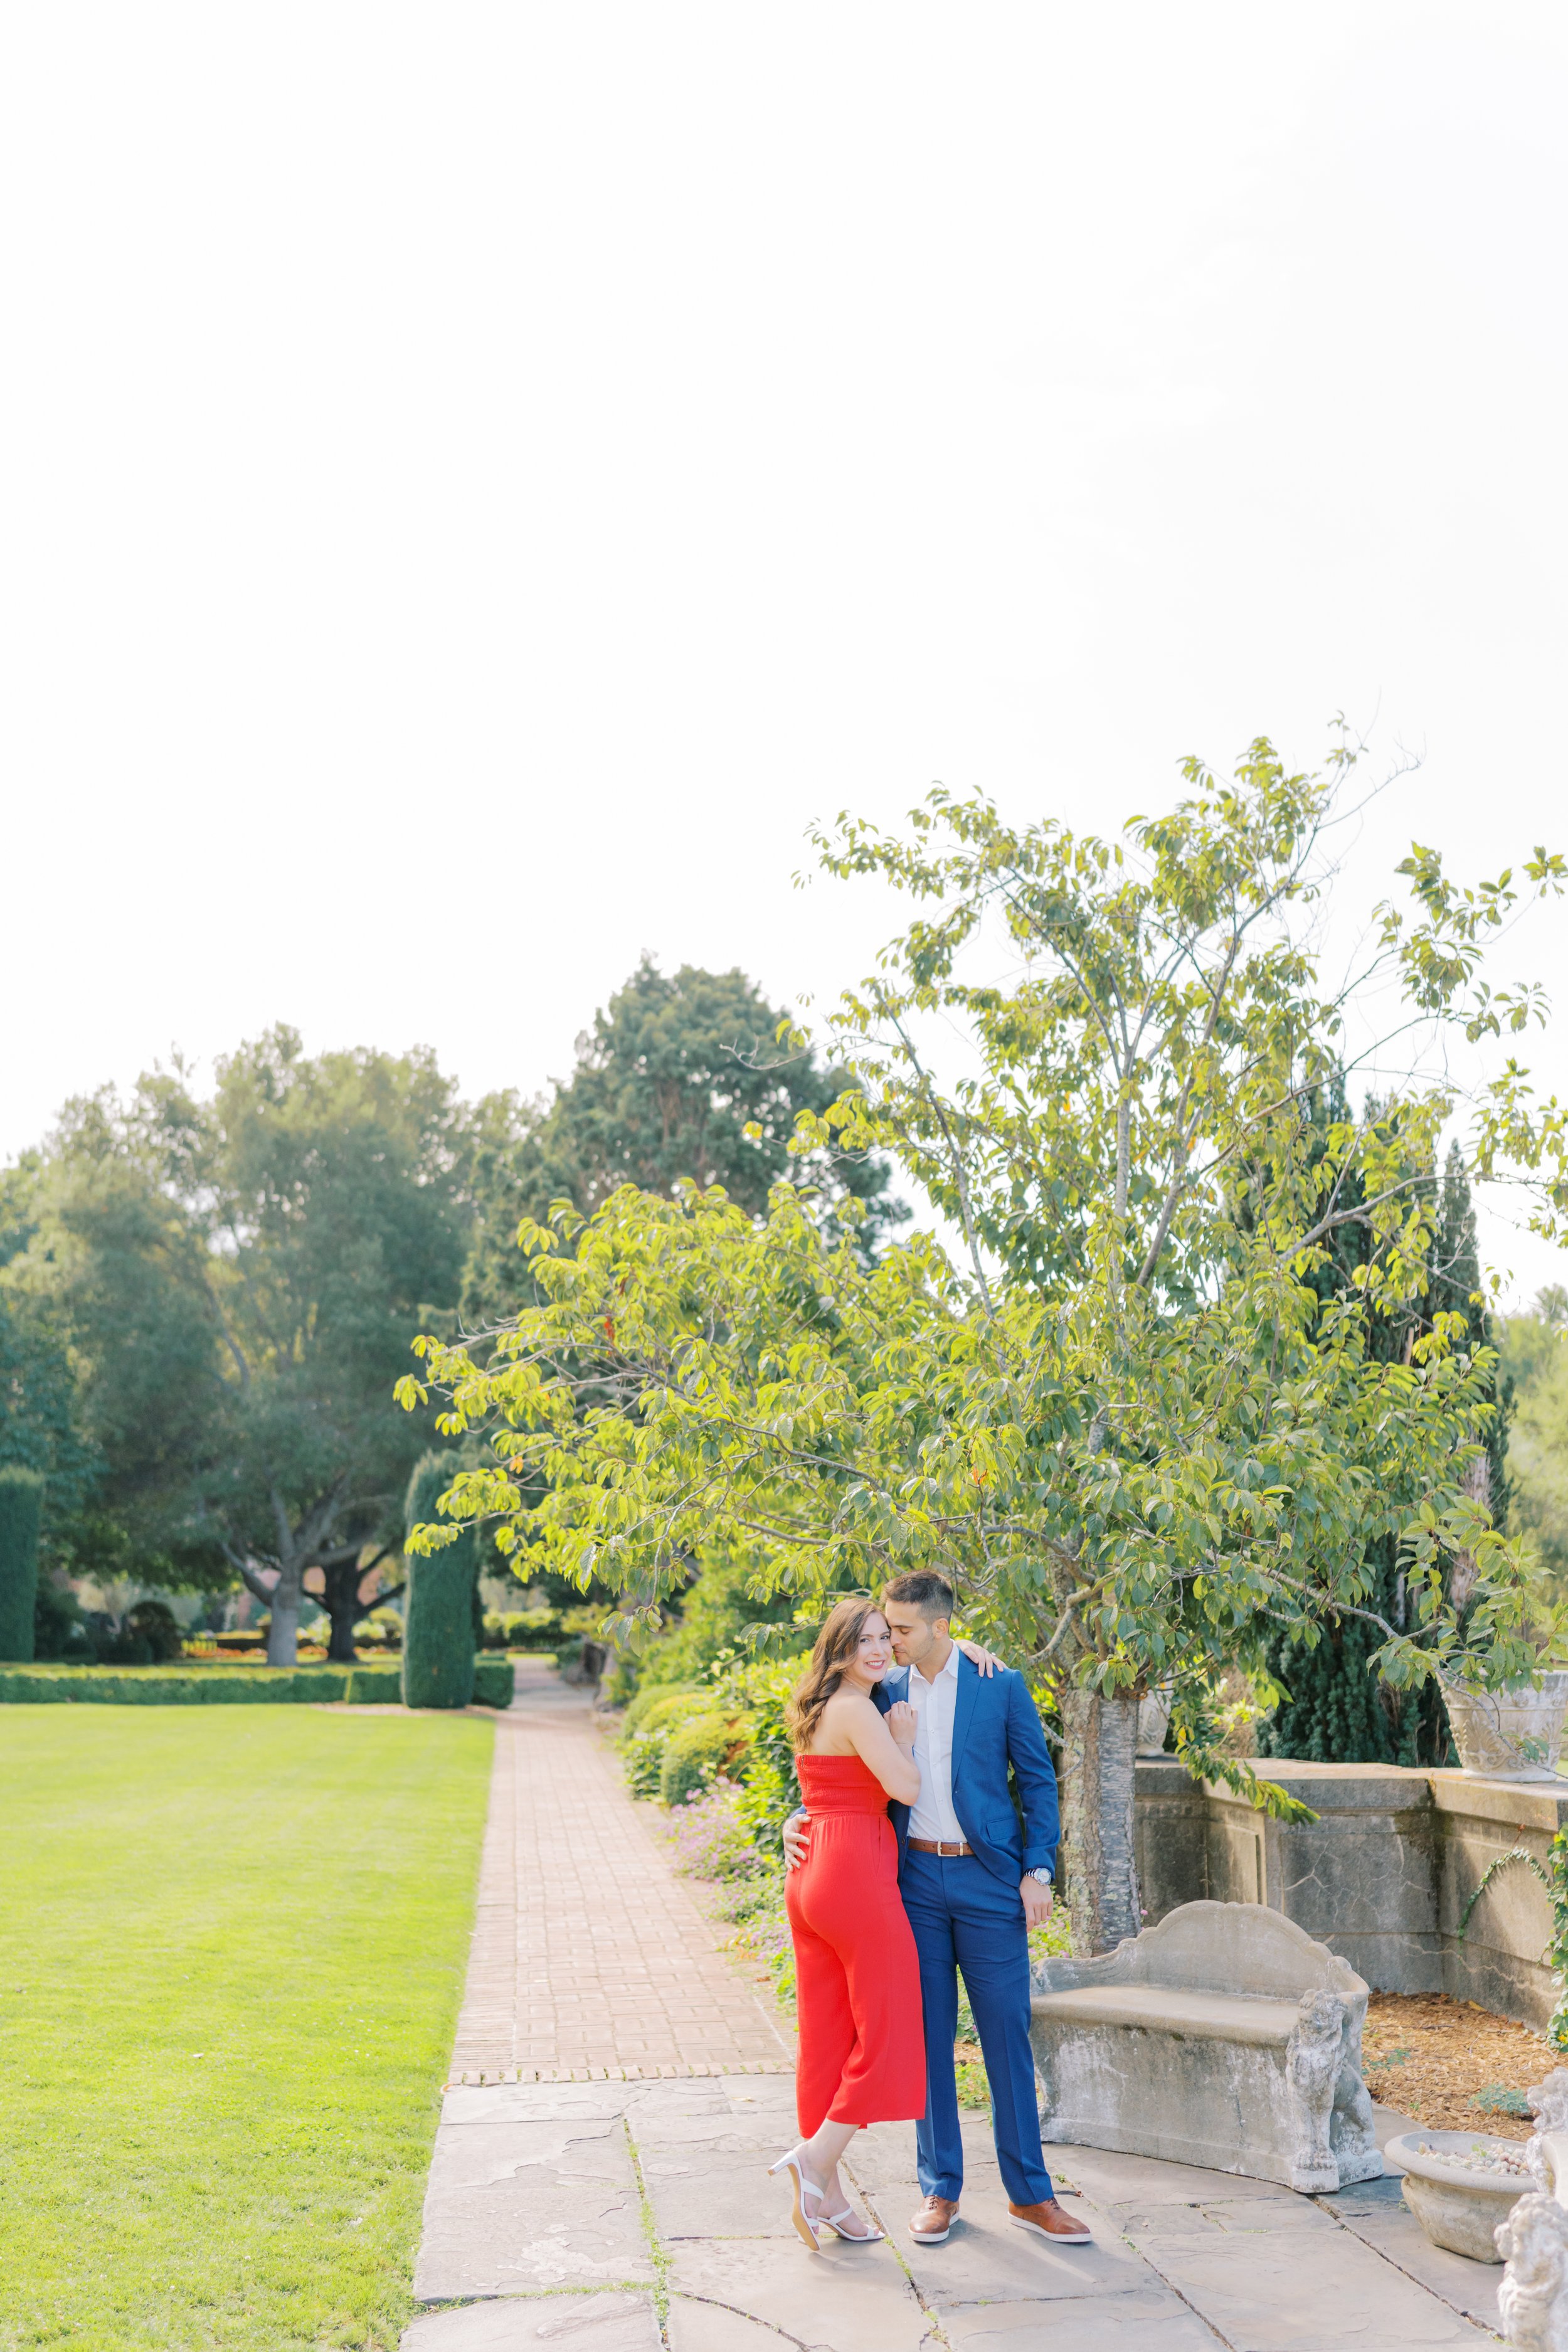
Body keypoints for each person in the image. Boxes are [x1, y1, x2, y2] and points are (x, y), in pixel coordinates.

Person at [783, 1571, 1091, 2249]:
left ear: (940, 1627)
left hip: (989, 1883)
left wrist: (1038, 1870)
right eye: (883, 1629)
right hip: (910, 1881)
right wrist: (795, 1820)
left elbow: (1038, 1782)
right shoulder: (880, 1688)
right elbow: (830, 1765)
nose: (888, 1640)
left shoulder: (998, 1684)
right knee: (927, 2041)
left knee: (1005, 2036)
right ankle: (940, 2189)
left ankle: (1031, 2196)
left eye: (900, 1629)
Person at [768, 1597, 926, 2249]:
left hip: (810, 1876)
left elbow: (819, 1792)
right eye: (862, 1640)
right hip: (854, 1871)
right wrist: (903, 1742)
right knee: (889, 2028)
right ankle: (814, 2158)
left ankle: (825, 2196)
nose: (878, 1649)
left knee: (829, 2036)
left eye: (883, 1637)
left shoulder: (815, 1709)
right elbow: (906, 1788)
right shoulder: (860, 1710)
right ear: (837, 1648)